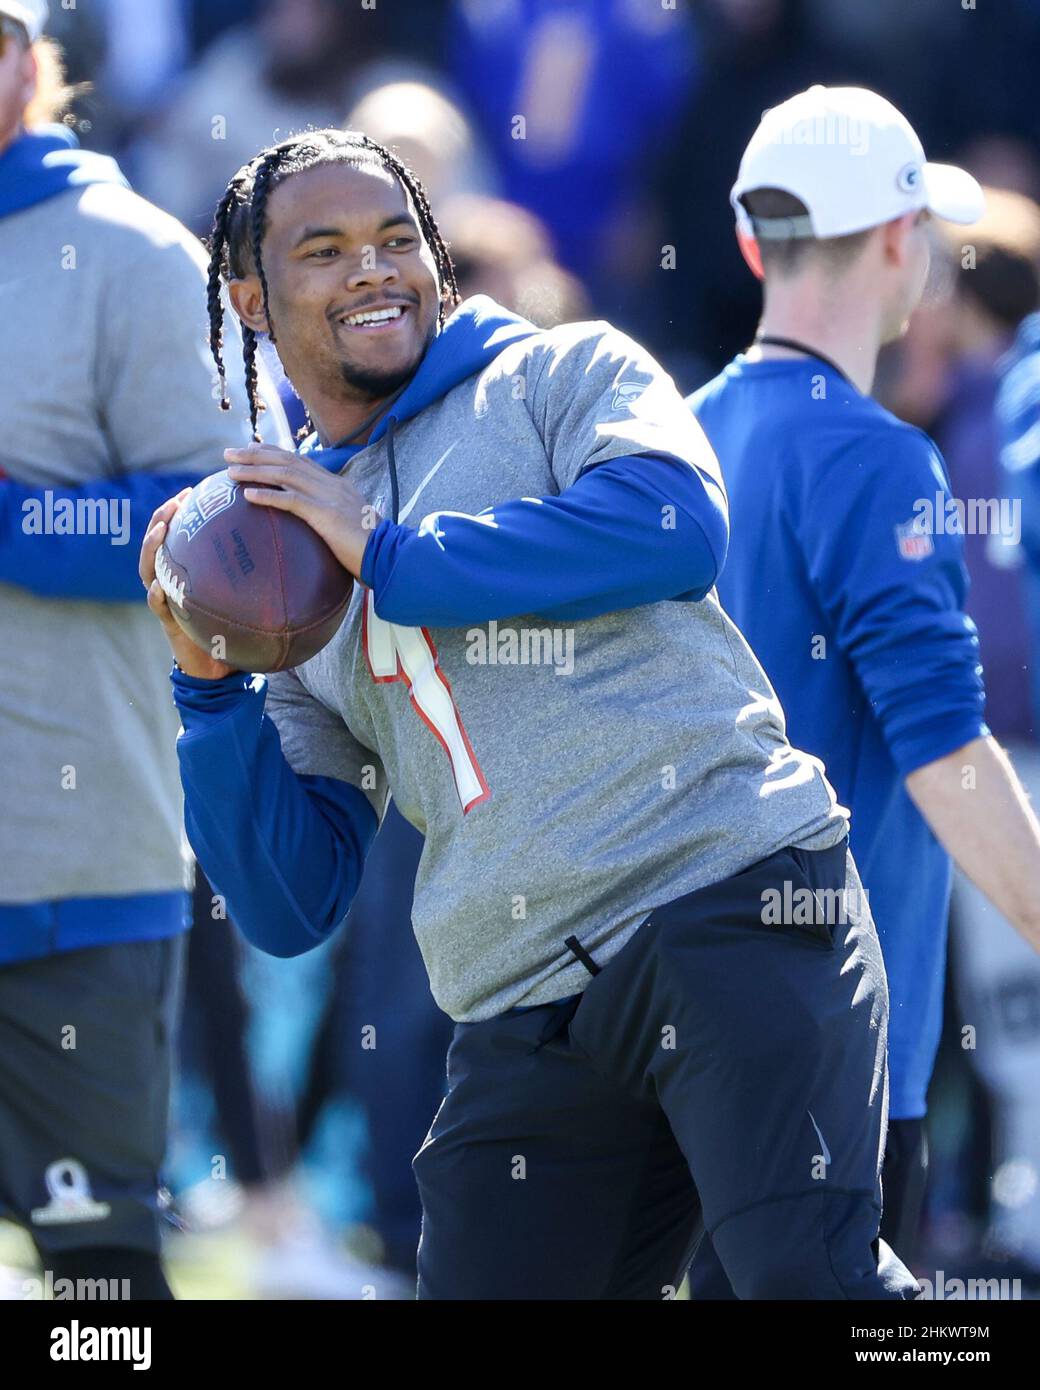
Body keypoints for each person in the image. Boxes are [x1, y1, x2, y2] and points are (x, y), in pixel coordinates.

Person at [140, 126, 919, 1300]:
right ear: (249, 297)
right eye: (325, 249)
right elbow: (291, 901)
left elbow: (668, 525)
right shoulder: (288, 556)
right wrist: (208, 687)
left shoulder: (563, 373)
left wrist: (394, 553)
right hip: (520, 1006)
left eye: (397, 239)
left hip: (725, 902)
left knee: (808, 1288)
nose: (371, 269)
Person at [688, 85, 1040, 1294]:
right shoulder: (881, 455)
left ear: (747, 244)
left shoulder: (673, 437)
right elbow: (946, 748)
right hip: (839, 1042)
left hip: (684, 1026)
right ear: (899, 245)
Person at [0, 0, 286, 1299]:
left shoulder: (126, 253)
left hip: (72, 870)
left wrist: (15, 523)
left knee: (99, 1285)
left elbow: (237, 522)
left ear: (20, 56)